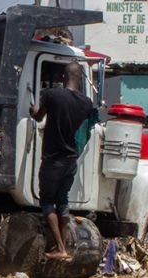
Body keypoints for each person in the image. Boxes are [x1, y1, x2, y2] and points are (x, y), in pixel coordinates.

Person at [29, 62, 98, 261]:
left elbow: (38, 116)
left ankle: (60, 247)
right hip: (71, 160)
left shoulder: (51, 95)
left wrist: (33, 109)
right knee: (63, 201)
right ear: (80, 78)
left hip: (53, 159)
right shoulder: (86, 103)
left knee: (48, 201)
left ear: (62, 76)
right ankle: (64, 244)